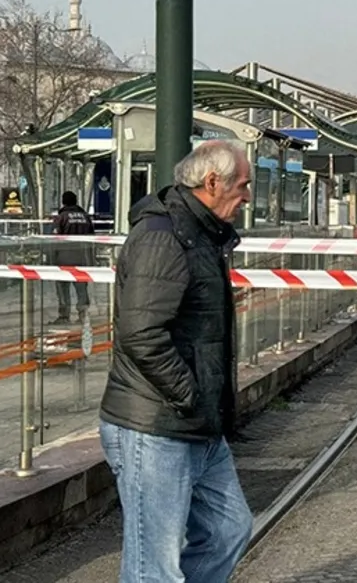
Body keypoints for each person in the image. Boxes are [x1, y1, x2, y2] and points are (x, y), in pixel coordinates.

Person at [99, 141, 254, 583]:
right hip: (157, 425)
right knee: (155, 566)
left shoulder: (201, 235)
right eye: (242, 186)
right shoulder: (162, 238)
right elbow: (141, 335)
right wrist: (189, 394)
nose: (246, 197)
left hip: (195, 422)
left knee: (229, 529)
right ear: (212, 183)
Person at [51, 191, 96, 324]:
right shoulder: (85, 217)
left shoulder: (61, 217)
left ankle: (64, 315)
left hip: (63, 258)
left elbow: (54, 238)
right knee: (81, 288)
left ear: (63, 202)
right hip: (82, 258)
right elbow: (92, 237)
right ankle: (83, 314)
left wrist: (50, 259)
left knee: (63, 288)